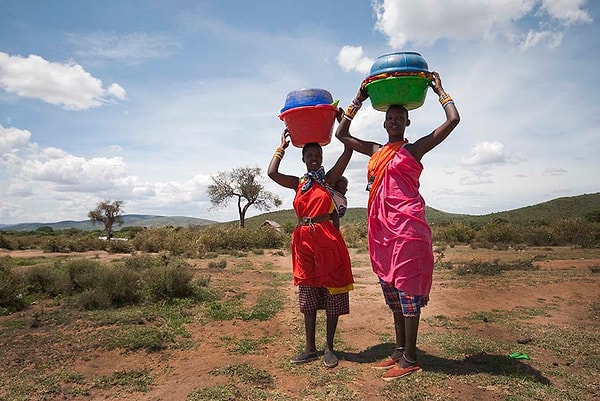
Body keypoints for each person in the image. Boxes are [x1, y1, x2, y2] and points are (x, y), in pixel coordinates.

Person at [335, 71, 460, 380]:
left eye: (399, 117)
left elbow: (453, 120)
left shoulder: (413, 149)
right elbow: (341, 135)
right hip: (382, 234)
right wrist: (358, 100)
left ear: (407, 123)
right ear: (384, 122)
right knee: (392, 294)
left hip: (407, 230)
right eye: (389, 117)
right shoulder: (376, 151)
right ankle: (400, 349)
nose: (393, 121)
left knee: (407, 293)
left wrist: (439, 90)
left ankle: (412, 357)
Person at [268, 129, 355, 369]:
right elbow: (272, 173)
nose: (314, 158)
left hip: (328, 241)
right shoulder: (298, 184)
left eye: (318, 154)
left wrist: (342, 127)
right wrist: (281, 148)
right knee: (307, 295)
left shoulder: (328, 180)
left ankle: (329, 347)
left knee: (332, 294)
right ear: (304, 159)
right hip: (304, 242)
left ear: (322, 158)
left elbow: (348, 152)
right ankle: (309, 348)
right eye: (310, 155)